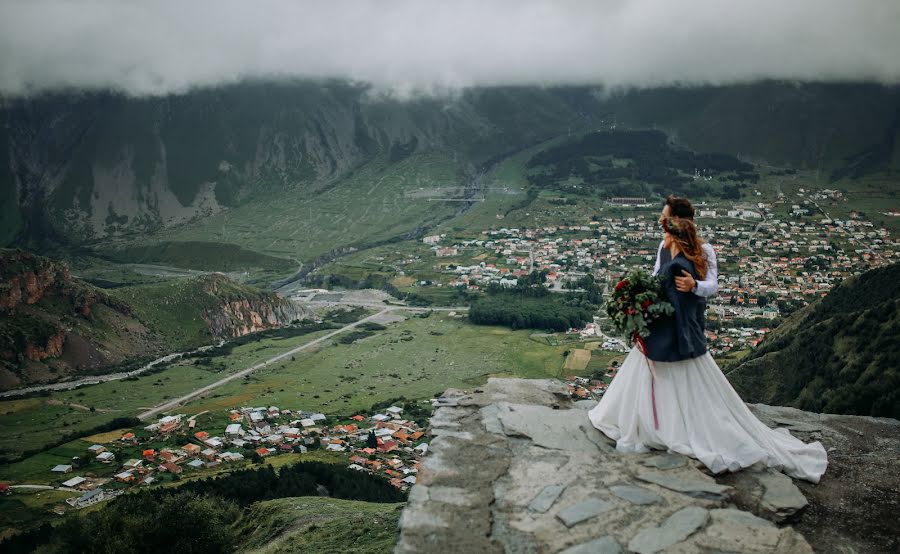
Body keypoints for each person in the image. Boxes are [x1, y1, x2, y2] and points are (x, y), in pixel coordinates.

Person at [588, 217, 828, 483]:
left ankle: (666, 426)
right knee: (669, 378)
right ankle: (667, 424)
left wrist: (685, 291)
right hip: (667, 324)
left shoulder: (694, 258)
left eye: (667, 233)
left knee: (672, 377)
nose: (663, 236)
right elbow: (657, 278)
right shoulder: (668, 251)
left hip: (676, 326)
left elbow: (702, 289)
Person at [654, 195, 717, 331]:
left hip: (691, 322)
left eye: (664, 216)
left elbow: (712, 285)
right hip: (664, 321)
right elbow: (655, 276)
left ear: (676, 220)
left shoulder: (705, 250)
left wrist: (694, 285)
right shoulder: (663, 246)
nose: (660, 220)